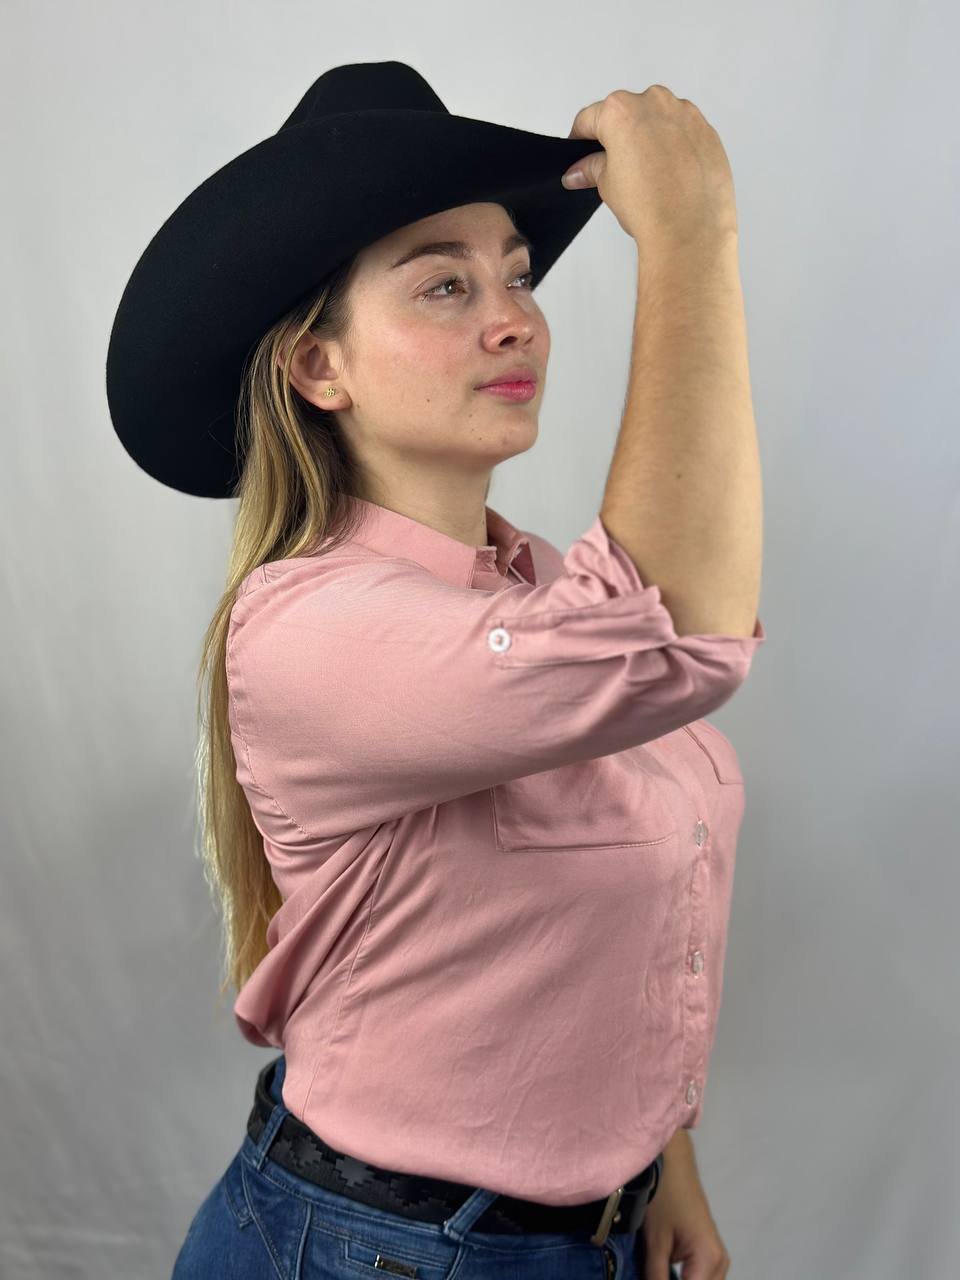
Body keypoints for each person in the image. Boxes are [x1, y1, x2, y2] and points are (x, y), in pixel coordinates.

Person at [107, 61, 763, 1280]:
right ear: (320, 368)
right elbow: (677, 637)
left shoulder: (540, 590)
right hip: (383, 1251)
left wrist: (659, 1162)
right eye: (445, 284)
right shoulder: (308, 628)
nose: (514, 317)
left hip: (580, 1235)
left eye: (516, 275)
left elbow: (610, 915)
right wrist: (690, 236)